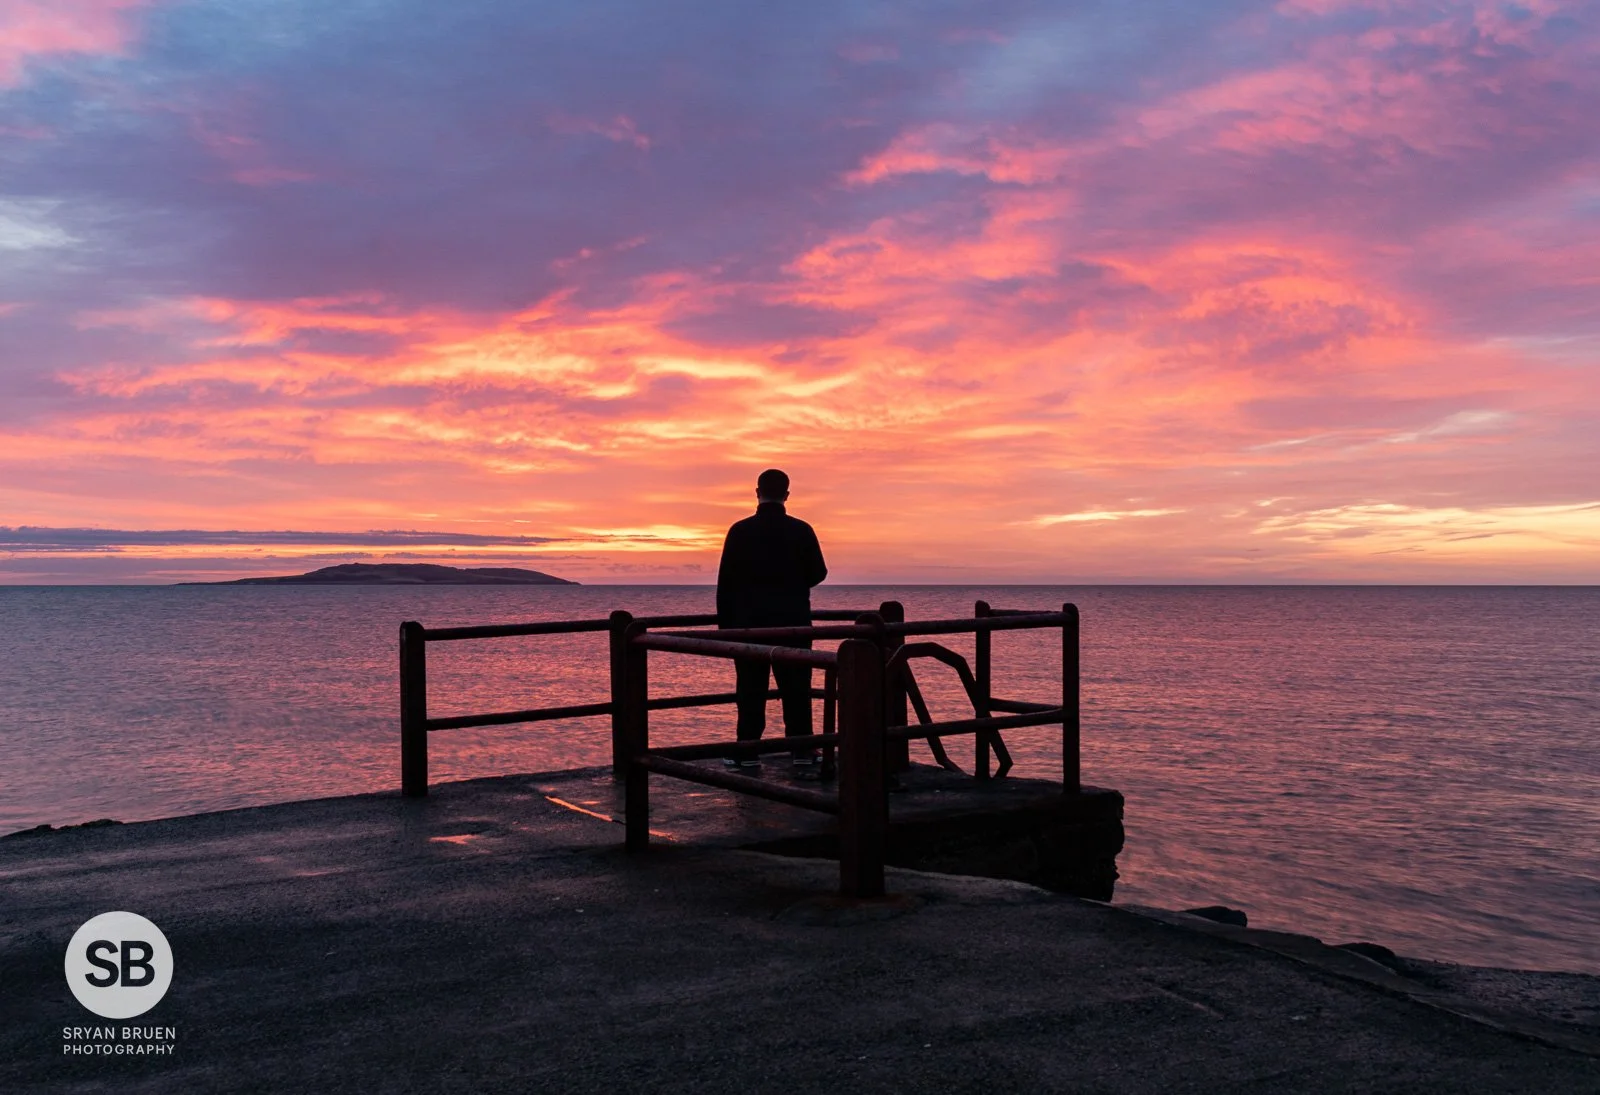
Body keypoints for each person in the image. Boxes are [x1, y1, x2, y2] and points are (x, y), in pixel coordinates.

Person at [715, 468, 828, 777]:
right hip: (793, 621)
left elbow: (724, 583)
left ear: (756, 492)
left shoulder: (739, 531)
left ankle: (748, 751)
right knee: (797, 687)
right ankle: (803, 749)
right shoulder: (801, 530)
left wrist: (726, 629)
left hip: (749, 623)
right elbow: (819, 573)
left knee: (750, 688)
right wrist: (791, 584)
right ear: (787, 495)